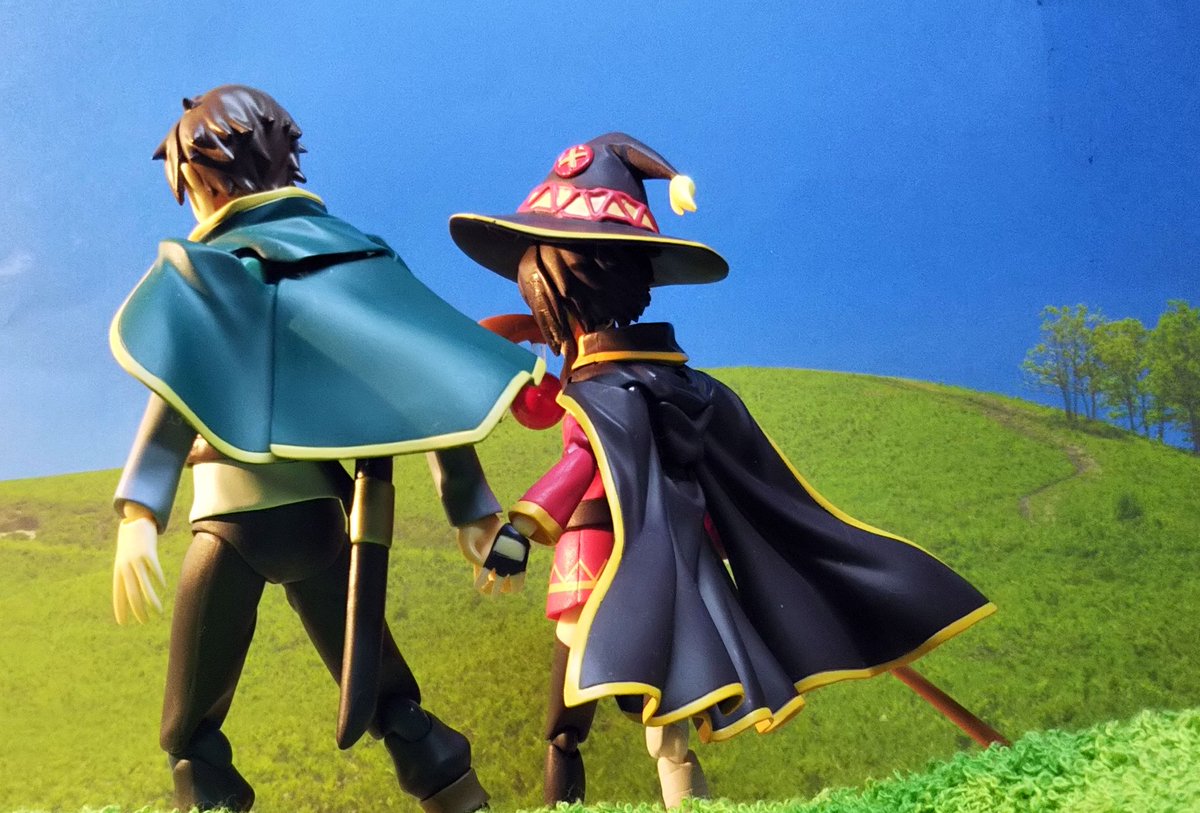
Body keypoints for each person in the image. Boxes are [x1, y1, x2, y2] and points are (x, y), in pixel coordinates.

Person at [449, 133, 996, 807]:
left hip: (598, 558)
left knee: (583, 710)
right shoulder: (680, 383)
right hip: (676, 562)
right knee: (649, 708)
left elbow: (579, 461)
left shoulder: (608, 390)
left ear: (559, 292)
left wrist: (516, 534)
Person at [110, 85, 539, 813]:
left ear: (205, 181)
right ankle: (455, 793)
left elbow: (175, 399)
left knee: (190, 729)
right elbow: (420, 376)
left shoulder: (205, 274)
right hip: (319, 522)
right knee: (386, 698)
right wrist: (471, 507)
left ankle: (212, 794)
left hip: (230, 526)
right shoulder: (356, 256)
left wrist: (139, 513)